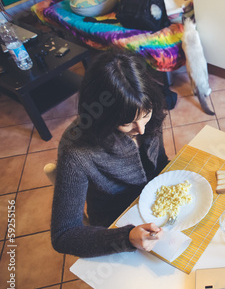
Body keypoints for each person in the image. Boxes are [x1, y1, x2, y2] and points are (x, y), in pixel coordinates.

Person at [51, 50, 169, 257]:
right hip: (116, 220)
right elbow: (64, 235)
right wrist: (125, 238)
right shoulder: (76, 150)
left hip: (157, 205)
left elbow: (160, 164)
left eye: (146, 115)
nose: (141, 129)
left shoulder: (149, 113)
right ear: (103, 117)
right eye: (127, 123)